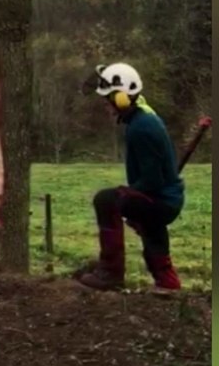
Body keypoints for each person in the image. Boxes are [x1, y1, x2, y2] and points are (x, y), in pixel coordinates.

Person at [77, 63, 186, 295]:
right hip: (168, 198)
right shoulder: (144, 115)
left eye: (108, 99)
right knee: (152, 229)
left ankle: (110, 273)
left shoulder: (141, 127)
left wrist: (128, 200)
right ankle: (168, 283)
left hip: (161, 199)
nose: (106, 105)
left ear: (123, 98)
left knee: (106, 200)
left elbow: (152, 181)